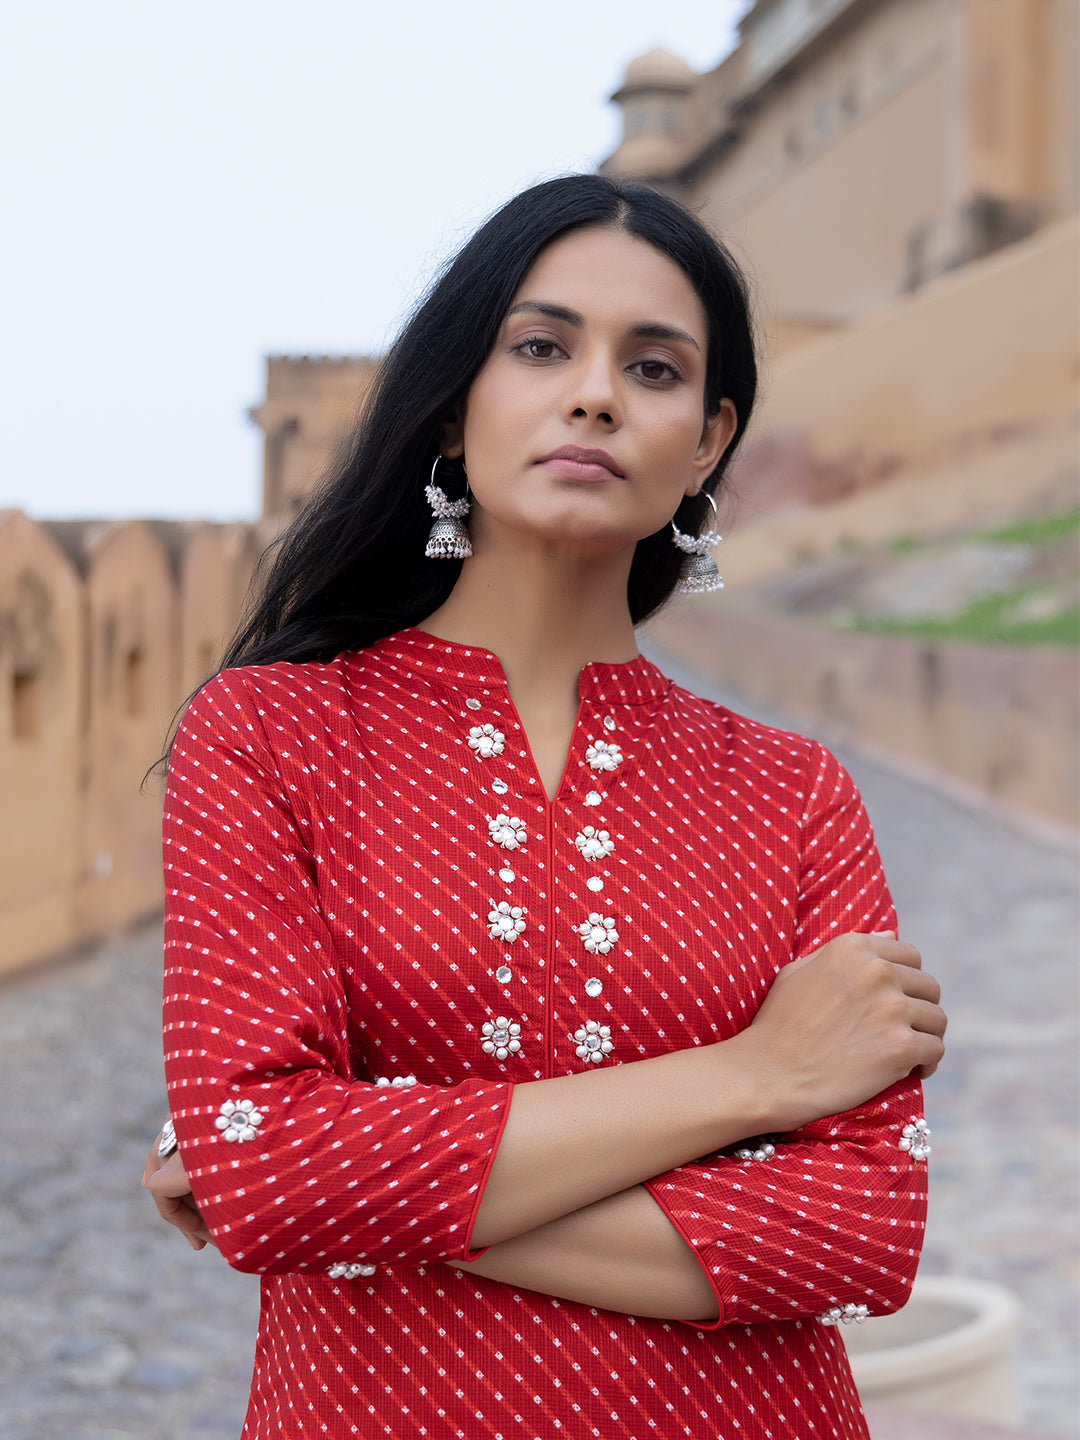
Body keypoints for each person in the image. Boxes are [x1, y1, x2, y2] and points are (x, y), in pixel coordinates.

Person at [143, 174, 946, 1440]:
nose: (595, 392)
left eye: (656, 368)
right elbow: (264, 1169)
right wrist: (756, 1078)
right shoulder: (272, 734)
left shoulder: (794, 793)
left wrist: (344, 1186)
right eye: (540, 346)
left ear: (709, 441)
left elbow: (858, 1235)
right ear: (456, 411)